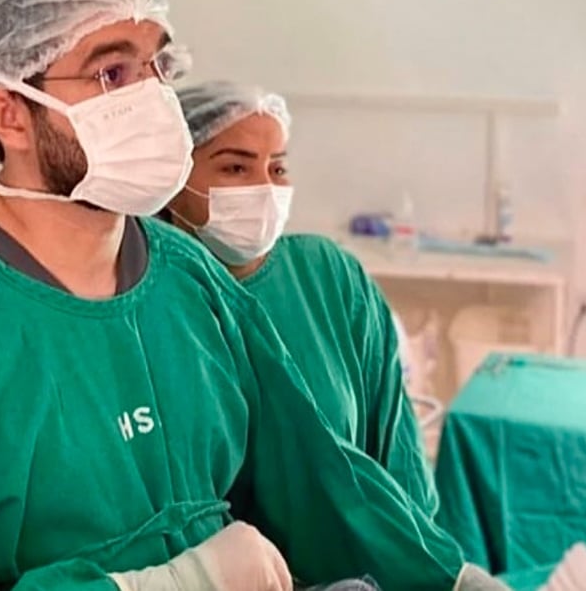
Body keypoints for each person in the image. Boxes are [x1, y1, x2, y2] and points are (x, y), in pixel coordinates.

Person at [0, 0, 509, 590]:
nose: (153, 99)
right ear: (9, 115)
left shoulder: (186, 275)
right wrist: (166, 582)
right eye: (114, 73)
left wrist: (446, 576)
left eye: (159, 65)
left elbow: (315, 474)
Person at [164, 80, 438, 517]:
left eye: (277, 168)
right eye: (235, 168)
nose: (264, 187)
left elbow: (397, 451)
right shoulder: (154, 298)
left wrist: (413, 547)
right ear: (173, 176)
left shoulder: (330, 276)